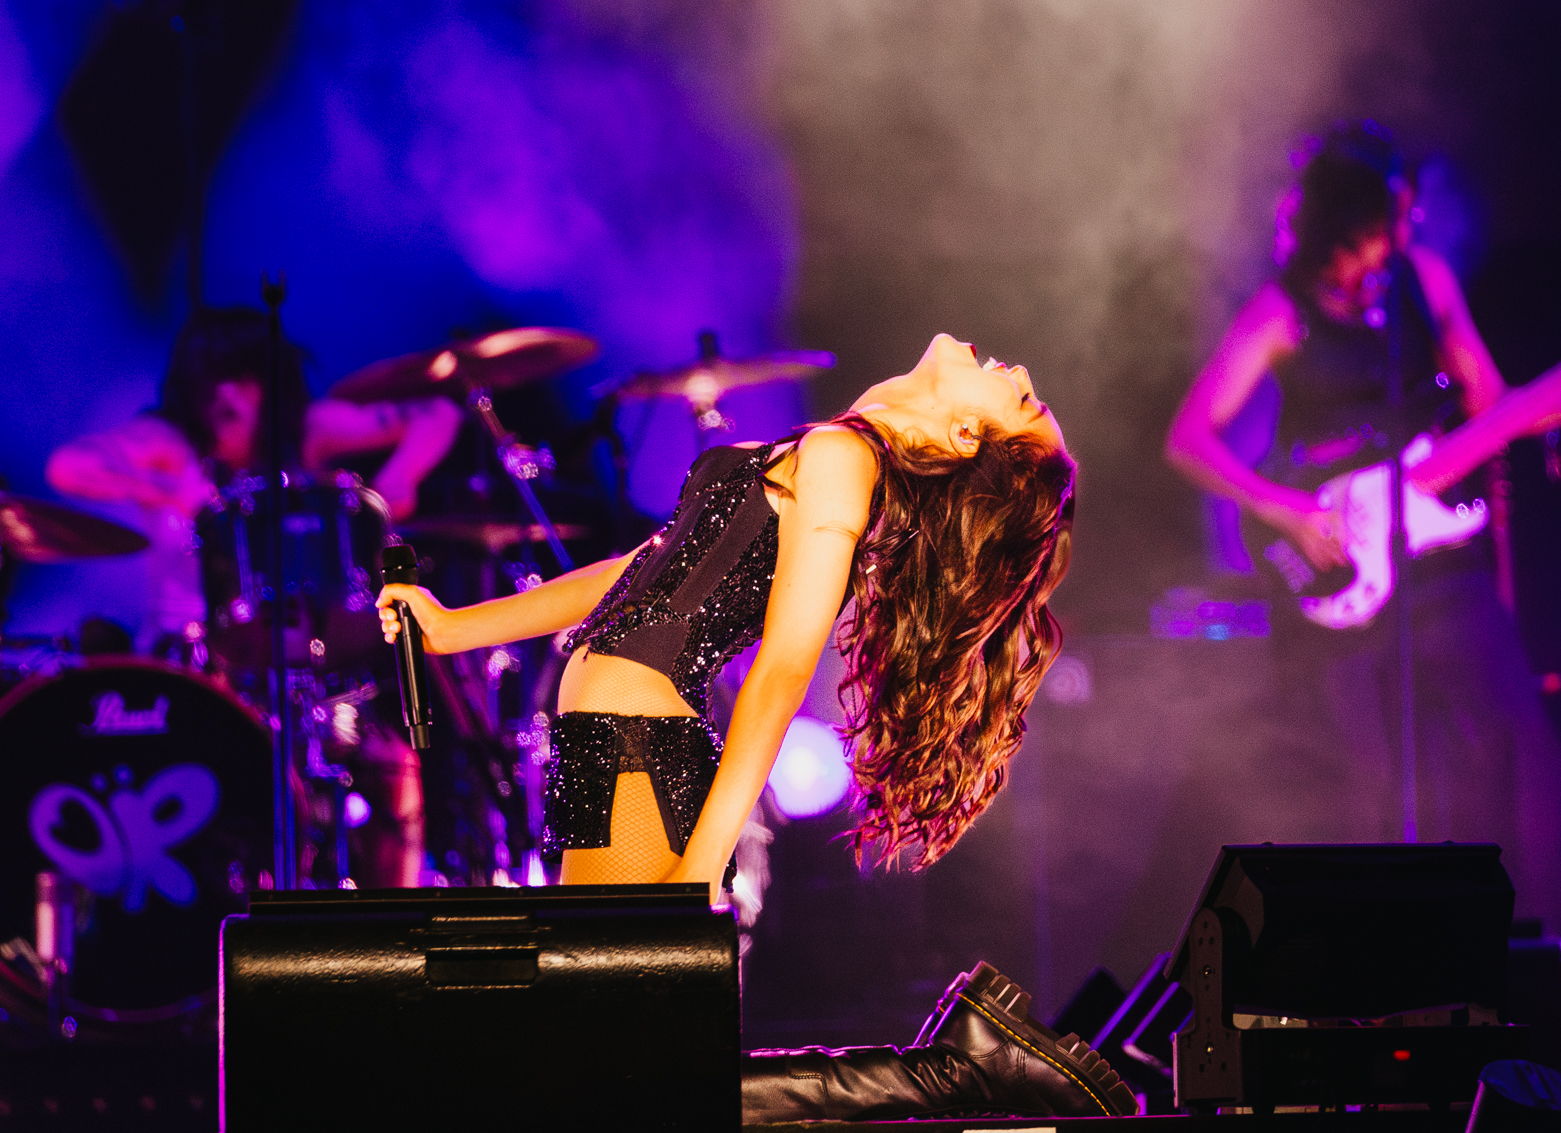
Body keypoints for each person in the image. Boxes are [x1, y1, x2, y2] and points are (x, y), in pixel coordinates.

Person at [379, 334, 1133, 1119]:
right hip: (609, 738)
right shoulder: (830, 449)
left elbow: (782, 672)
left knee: (615, 1078)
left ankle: (956, 1070)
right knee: (625, 1071)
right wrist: (452, 628)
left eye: (1022, 400)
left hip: (636, 743)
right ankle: (961, 1064)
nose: (1020, 370)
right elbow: (645, 569)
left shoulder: (843, 460)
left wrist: (702, 866)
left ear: (965, 434)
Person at [1164, 122, 1561, 936]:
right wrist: (1286, 510)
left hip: (1437, 560)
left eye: (1395, 226)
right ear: (1331, 229)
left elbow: (1493, 411)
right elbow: (1190, 438)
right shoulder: (1281, 314)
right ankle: (1371, 965)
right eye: (1368, 234)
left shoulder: (1424, 282)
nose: (1384, 247)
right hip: (1334, 571)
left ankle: (1536, 950)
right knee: (1364, 780)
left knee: (1516, 742)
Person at [48, 306, 462, 889]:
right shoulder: (170, 440)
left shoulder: (308, 430)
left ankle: (392, 912)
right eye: (212, 380)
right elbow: (68, 466)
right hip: (192, 664)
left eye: (242, 377)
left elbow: (440, 413)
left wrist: (400, 480)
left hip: (304, 663)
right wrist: (167, 489)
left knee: (391, 762)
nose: (226, 395)